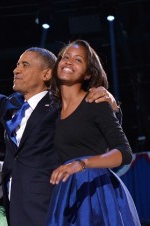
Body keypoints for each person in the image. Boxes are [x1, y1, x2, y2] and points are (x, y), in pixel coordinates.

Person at [0, 7, 119, 225]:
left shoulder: (62, 105)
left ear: (47, 74)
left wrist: (113, 106)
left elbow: (101, 135)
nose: (16, 70)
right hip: (15, 207)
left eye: (25, 65)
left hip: (50, 205)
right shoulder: (11, 105)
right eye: (17, 64)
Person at [46, 40, 140, 225]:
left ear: (88, 74)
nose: (69, 61)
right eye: (66, 57)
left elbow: (124, 152)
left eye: (78, 60)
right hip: (67, 193)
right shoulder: (52, 113)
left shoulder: (96, 103)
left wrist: (82, 163)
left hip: (96, 192)